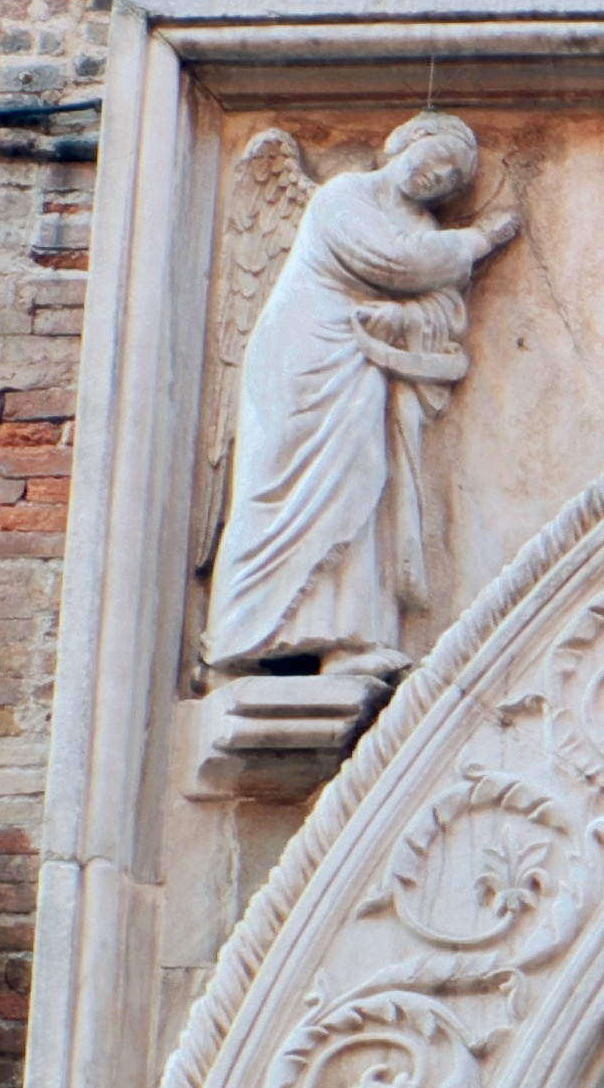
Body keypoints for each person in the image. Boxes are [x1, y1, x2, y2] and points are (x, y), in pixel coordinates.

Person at [206, 113, 517, 677]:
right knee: (280, 484)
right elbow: (392, 262)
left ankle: (347, 638)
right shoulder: (343, 195)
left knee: (362, 478)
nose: (437, 177)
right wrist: (480, 238)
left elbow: (440, 306)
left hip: (359, 361)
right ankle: (241, 635)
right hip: (304, 354)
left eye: (451, 177)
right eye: (435, 158)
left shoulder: (422, 225)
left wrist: (398, 315)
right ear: (404, 142)